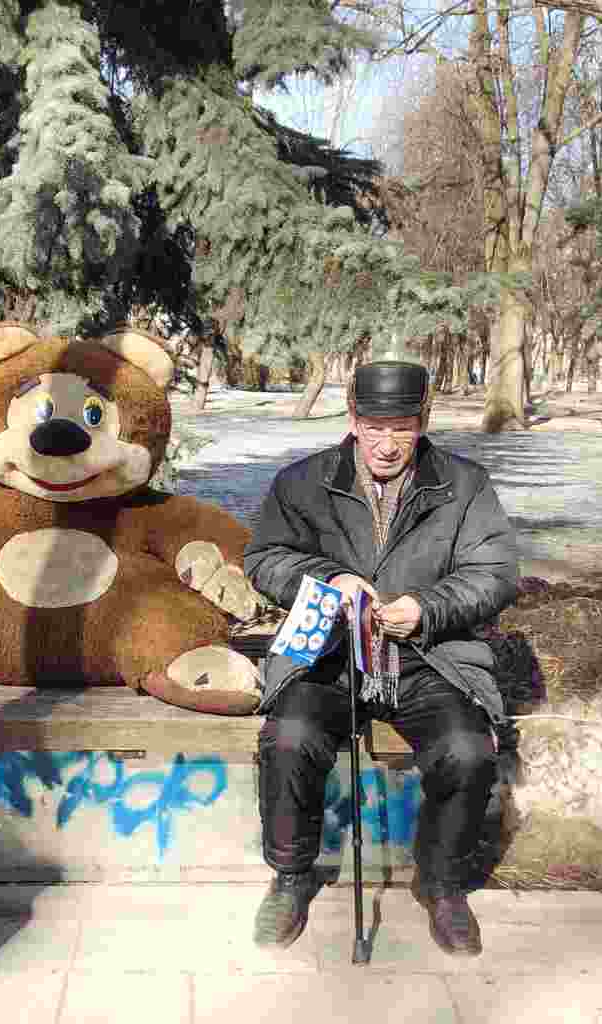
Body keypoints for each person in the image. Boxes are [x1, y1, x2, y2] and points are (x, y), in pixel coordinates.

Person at [243, 360, 519, 957]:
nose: (387, 445)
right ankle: (291, 877)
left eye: (402, 428)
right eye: (374, 428)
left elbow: (495, 572)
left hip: (428, 656)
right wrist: (330, 578)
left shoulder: (465, 486)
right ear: (352, 420)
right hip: (331, 654)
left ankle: (443, 885)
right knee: (289, 738)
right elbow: (264, 558)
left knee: (468, 754)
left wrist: (428, 606)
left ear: (424, 421)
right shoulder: (302, 483)